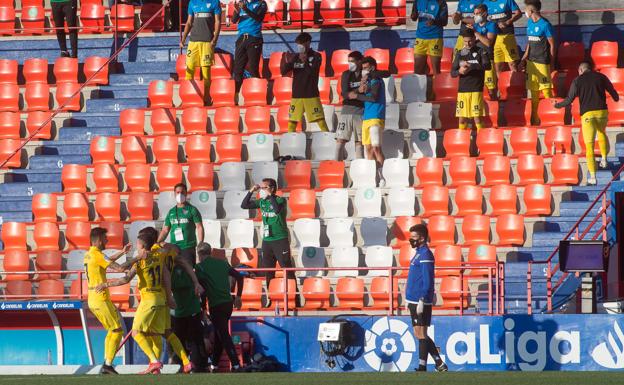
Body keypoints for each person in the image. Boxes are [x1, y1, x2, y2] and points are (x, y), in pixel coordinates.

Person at [98, 232, 194, 374]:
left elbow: (125, 278)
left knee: (136, 332)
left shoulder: (140, 261)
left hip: (149, 299)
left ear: (143, 246)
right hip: (162, 298)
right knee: (166, 333)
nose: (136, 245)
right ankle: (186, 362)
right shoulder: (160, 254)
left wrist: (106, 284)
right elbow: (171, 260)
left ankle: (154, 361)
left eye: (138, 243)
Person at [554, 62, 619, 185]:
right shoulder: (601, 76)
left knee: (589, 145)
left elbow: (569, 99)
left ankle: (593, 177)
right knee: (601, 132)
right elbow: (612, 91)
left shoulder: (577, 80)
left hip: (587, 115)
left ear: (581, 70)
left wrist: (557, 105)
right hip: (602, 112)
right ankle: (604, 158)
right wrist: (616, 98)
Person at [83, 228, 134, 374]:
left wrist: (122, 252)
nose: (107, 241)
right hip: (101, 298)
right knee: (117, 330)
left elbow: (106, 261)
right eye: (105, 238)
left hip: (93, 297)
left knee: (112, 330)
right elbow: (118, 268)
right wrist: (137, 258)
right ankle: (108, 364)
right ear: (98, 240)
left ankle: (107, 362)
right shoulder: (98, 255)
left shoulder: (89, 254)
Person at [194, 242, 244, 371]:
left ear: (199, 254)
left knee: (223, 335)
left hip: (216, 305)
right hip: (228, 304)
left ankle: (236, 364)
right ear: (210, 252)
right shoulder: (222, 262)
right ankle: (214, 365)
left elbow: (202, 291)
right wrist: (238, 296)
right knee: (219, 335)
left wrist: (203, 309)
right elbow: (239, 277)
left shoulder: (200, 267)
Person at [405, 224, 448, 372]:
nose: (411, 240)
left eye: (414, 238)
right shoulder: (418, 253)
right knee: (419, 334)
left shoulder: (426, 254)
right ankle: (439, 363)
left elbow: (428, 279)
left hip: (420, 300)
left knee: (422, 334)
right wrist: (408, 299)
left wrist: (423, 299)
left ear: (422, 238)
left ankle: (423, 366)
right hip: (413, 300)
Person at [240, 178, 294, 287]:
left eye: (264, 188)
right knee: (269, 271)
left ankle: (294, 297)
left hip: (280, 240)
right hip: (267, 240)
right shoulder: (262, 202)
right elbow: (244, 205)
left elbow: (276, 210)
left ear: (272, 188)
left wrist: (270, 195)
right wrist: (251, 191)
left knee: (287, 269)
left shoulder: (280, 200)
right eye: (261, 188)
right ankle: (271, 297)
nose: (262, 190)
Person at [280, 32, 330, 133]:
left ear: (308, 43)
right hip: (296, 95)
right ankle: (291, 143)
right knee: (292, 121)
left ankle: (328, 138)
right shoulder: (295, 57)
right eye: (298, 44)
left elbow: (312, 73)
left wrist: (305, 62)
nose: (299, 46)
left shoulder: (316, 56)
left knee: (320, 120)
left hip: (311, 94)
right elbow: (283, 72)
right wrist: (287, 61)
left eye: (301, 43)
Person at [348, 56, 386, 187]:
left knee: (376, 147)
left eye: (365, 68)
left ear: (372, 68)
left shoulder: (376, 80)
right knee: (368, 149)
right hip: (366, 117)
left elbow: (374, 97)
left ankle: (382, 178)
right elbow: (351, 94)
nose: (363, 70)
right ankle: (372, 178)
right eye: (362, 68)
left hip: (376, 116)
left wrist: (357, 95)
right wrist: (360, 89)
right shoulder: (367, 81)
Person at [180, 0, 222, 105]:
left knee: (206, 72)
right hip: (193, 41)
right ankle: (186, 98)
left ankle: (207, 98)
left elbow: (218, 22)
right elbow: (189, 22)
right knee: (189, 70)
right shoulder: (192, 2)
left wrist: (215, 39)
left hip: (207, 42)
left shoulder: (215, 2)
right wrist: (183, 39)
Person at [520, 0, 555, 125]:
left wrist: (552, 63)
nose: (525, 12)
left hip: (542, 62)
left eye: (526, 9)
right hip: (531, 63)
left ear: (531, 11)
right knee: (534, 96)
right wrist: (524, 57)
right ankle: (535, 121)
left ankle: (551, 120)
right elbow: (529, 42)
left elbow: (552, 44)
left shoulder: (545, 24)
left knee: (546, 93)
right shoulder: (529, 22)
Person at [451, 29, 491, 131]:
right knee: (462, 120)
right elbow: (452, 73)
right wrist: (459, 71)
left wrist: (472, 66)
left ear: (474, 39)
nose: (467, 43)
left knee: (477, 119)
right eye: (465, 41)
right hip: (462, 91)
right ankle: (461, 144)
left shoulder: (481, 51)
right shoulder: (460, 53)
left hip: (476, 89)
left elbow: (487, 66)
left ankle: (481, 142)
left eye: (470, 41)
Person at [157, 183, 204, 266]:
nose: (180, 194)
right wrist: (157, 242)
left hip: (188, 247)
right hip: (174, 248)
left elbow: (199, 227)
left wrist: (200, 243)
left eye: (182, 192)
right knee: (174, 273)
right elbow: (165, 230)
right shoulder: (171, 212)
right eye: (178, 192)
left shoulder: (192, 210)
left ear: (186, 193)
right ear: (174, 194)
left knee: (188, 273)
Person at [232, 0, 268, 95]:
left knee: (253, 68)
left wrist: (245, 9)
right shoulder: (242, 3)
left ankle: (257, 94)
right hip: (241, 38)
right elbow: (233, 20)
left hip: (254, 38)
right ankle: (236, 95)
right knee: (238, 69)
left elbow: (259, 18)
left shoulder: (262, 3)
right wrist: (236, 10)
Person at [335, 51, 365, 161]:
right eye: (349, 61)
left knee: (359, 142)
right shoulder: (346, 74)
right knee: (340, 141)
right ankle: (337, 167)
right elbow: (345, 93)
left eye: (352, 61)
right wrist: (358, 91)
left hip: (361, 111)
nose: (350, 64)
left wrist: (353, 94)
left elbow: (365, 92)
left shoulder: (365, 74)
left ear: (359, 61)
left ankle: (361, 170)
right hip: (346, 111)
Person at [469, 3, 499, 99]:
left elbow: (489, 43)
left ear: (485, 14)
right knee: (477, 87)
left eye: (478, 13)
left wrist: (475, 32)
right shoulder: (475, 25)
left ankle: (495, 108)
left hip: (487, 59)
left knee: (491, 88)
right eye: (475, 13)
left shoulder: (491, 25)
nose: (476, 16)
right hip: (476, 59)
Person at [411, 0, 449, 75]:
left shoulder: (441, 2)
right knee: (418, 69)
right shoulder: (417, 1)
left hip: (435, 38)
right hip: (420, 37)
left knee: (436, 69)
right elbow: (414, 17)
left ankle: (436, 86)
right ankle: (421, 86)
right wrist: (413, 16)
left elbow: (444, 22)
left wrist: (434, 22)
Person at [483, 0, 522, 74]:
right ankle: (501, 84)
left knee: (512, 63)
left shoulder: (507, 1)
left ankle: (516, 84)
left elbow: (519, 13)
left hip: (507, 35)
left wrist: (508, 22)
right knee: (498, 65)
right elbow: (482, 18)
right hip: (494, 37)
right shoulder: (485, 2)